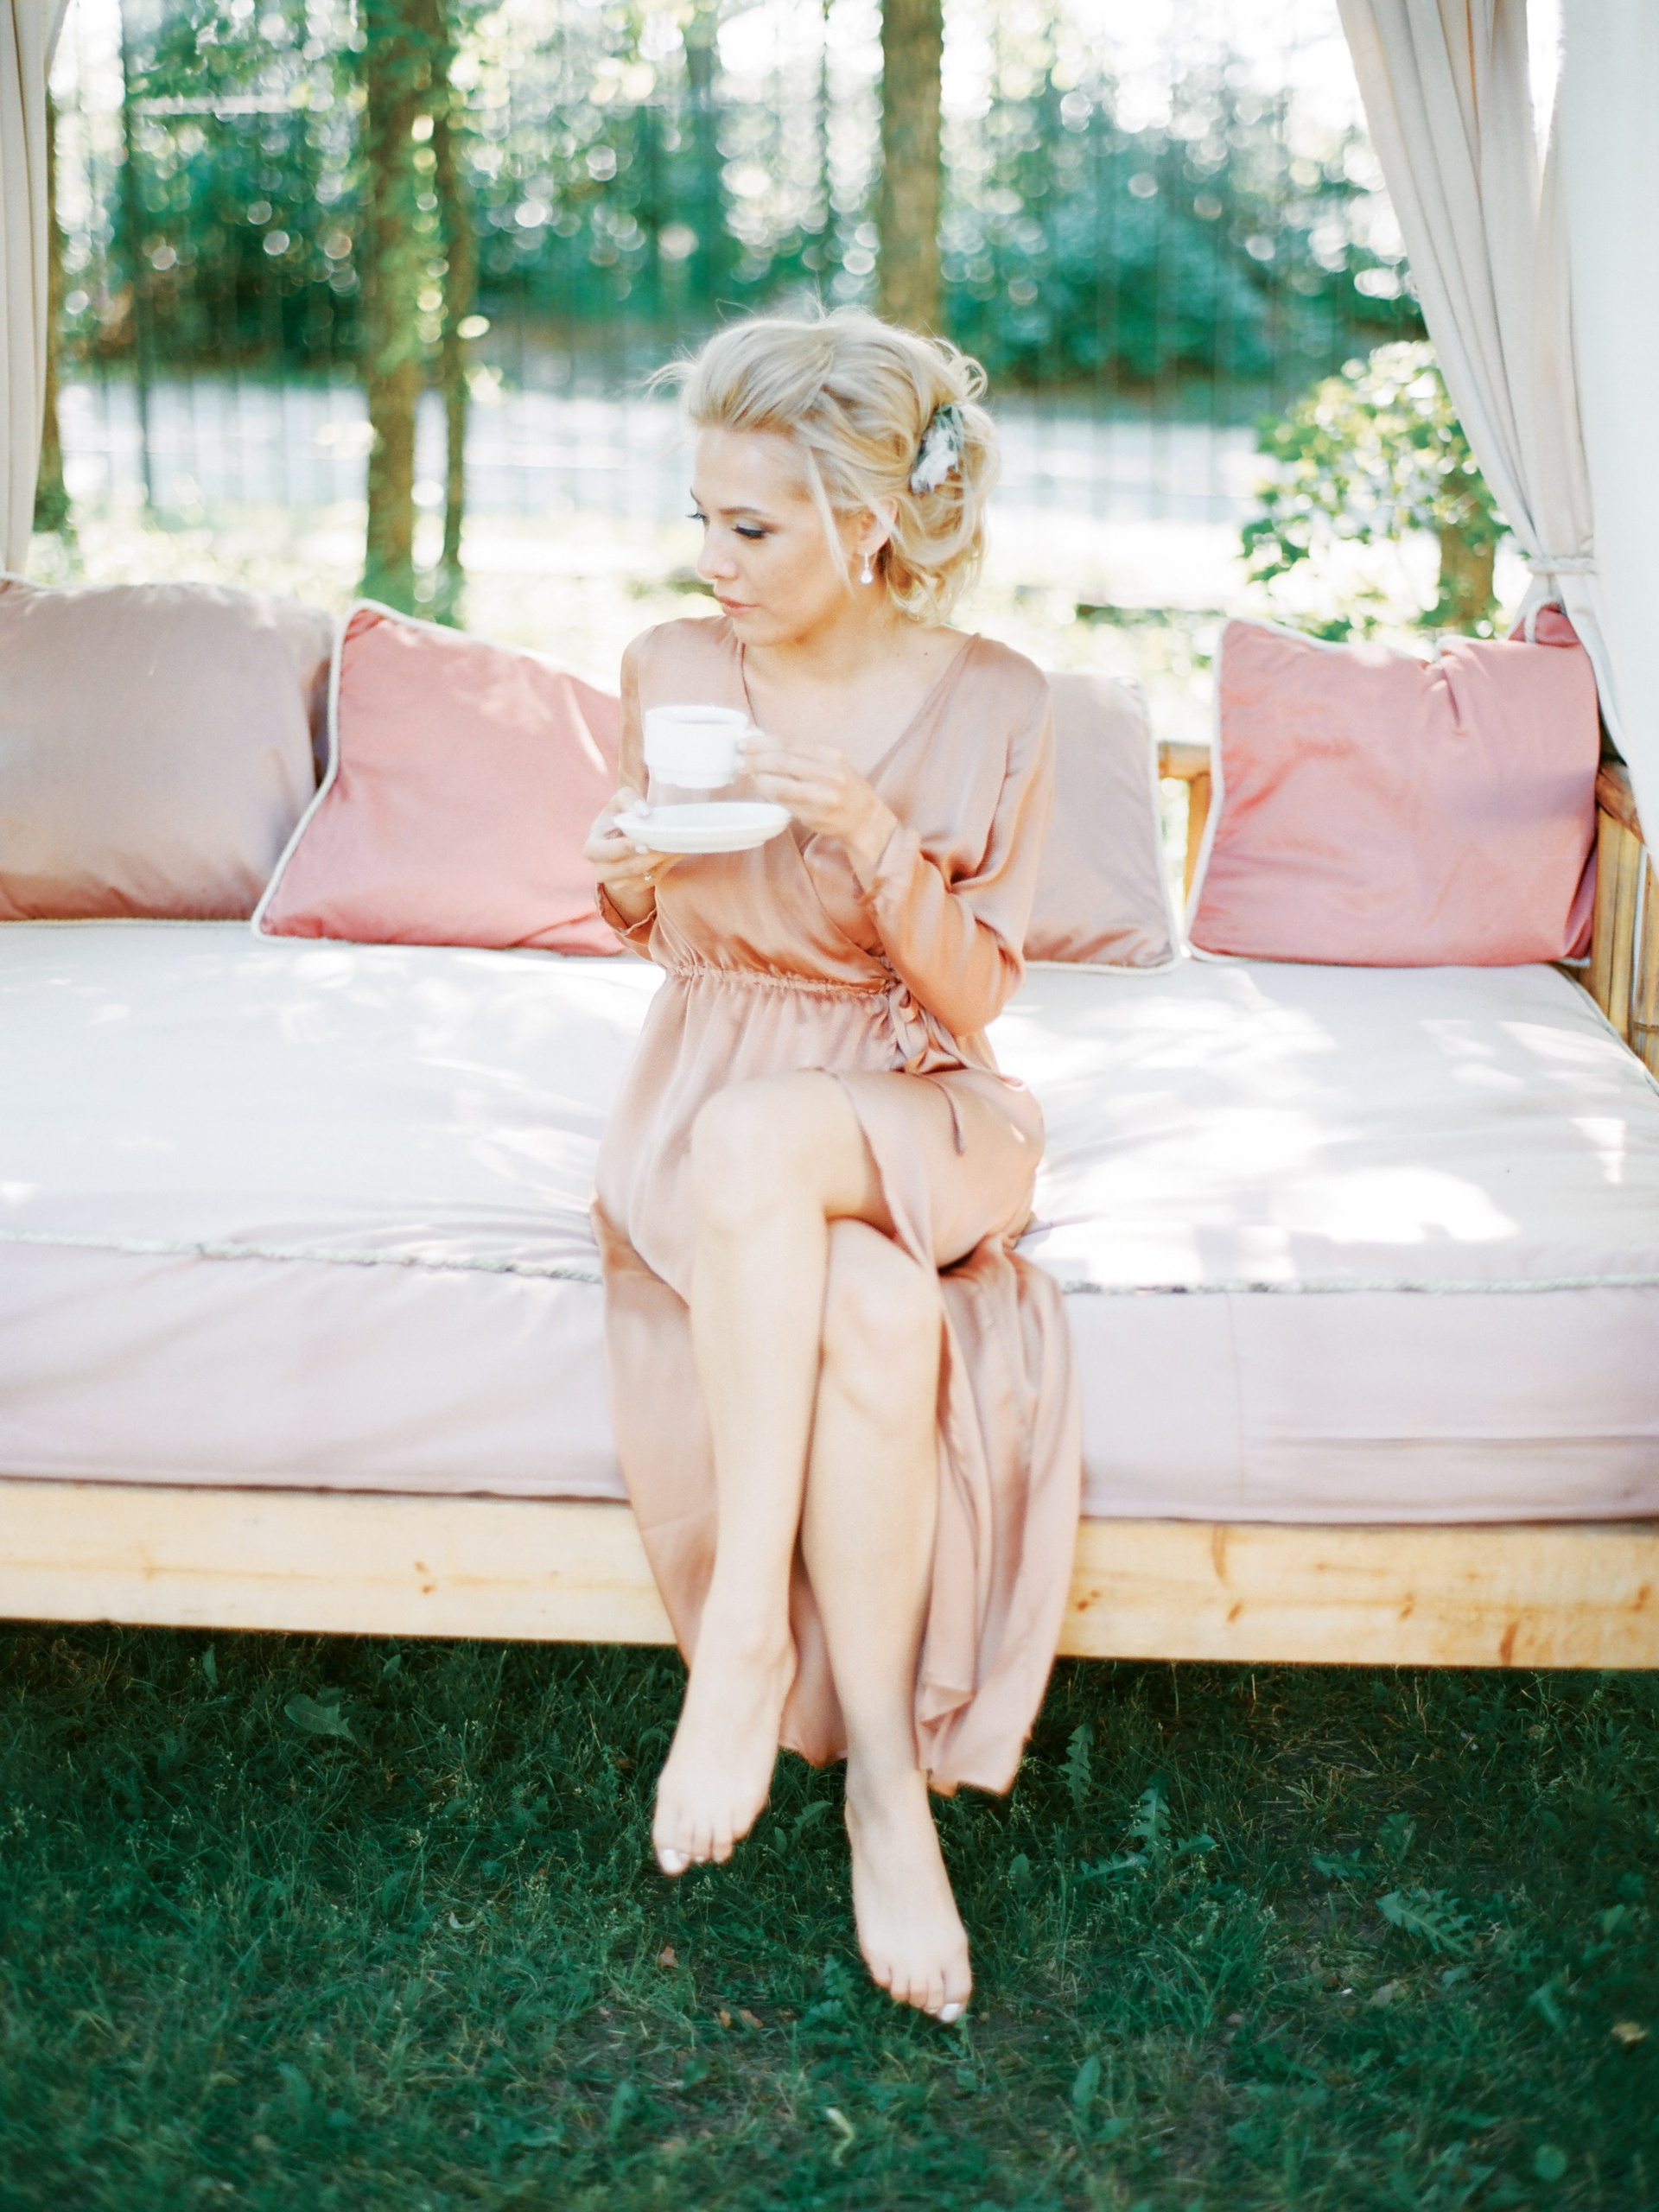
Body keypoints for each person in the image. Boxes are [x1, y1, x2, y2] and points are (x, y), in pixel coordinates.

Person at [584, 309, 1081, 2025]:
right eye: (701, 519)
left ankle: (743, 1639)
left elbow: (981, 994)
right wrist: (624, 871)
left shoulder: (1002, 700)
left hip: (919, 1097)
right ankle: (884, 1787)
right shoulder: (669, 664)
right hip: (718, 1072)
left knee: (764, 1148)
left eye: (751, 526)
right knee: (872, 1312)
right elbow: (653, 921)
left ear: (867, 522)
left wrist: (870, 834)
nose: (708, 560)